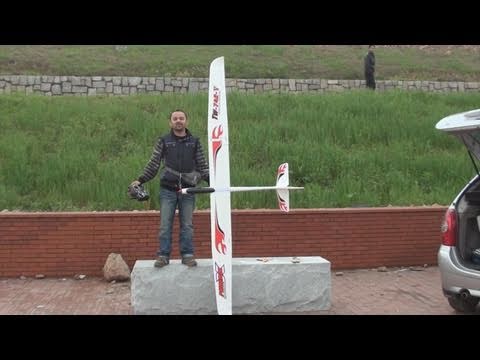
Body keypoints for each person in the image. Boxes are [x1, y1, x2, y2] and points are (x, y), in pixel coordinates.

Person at [130, 109, 209, 268]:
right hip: (167, 190)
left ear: (187, 121)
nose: (178, 121)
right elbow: (153, 164)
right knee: (165, 224)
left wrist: (213, 181)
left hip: (188, 190)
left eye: (181, 118)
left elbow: (202, 165)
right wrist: (140, 180)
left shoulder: (194, 142)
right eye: (175, 118)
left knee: (187, 225)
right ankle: (163, 255)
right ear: (170, 122)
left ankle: (187, 255)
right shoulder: (164, 141)